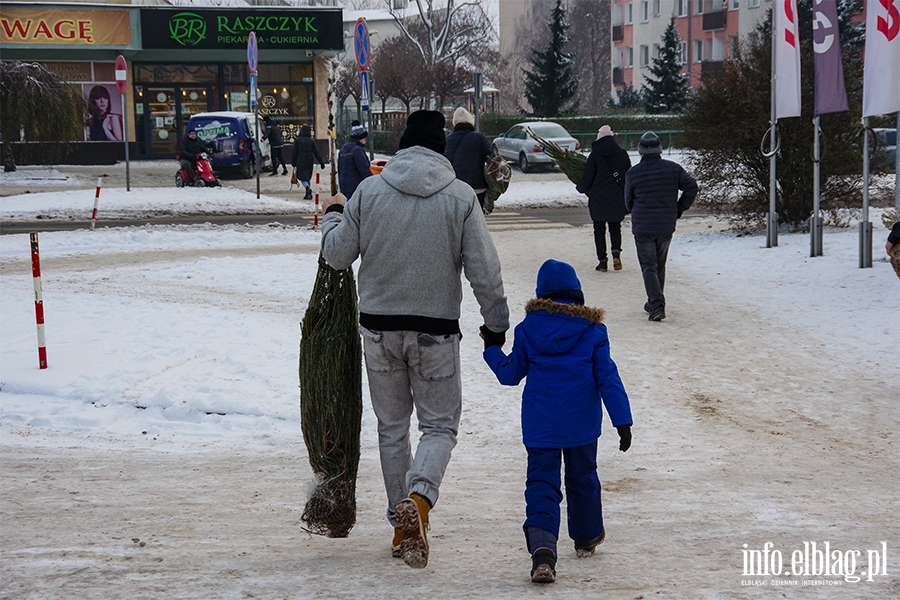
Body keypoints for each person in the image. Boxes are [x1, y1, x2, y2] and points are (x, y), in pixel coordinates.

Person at [320, 110, 510, 570]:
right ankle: (420, 500)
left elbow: (337, 256)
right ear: (441, 149)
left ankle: (401, 526)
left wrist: (331, 216)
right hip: (436, 332)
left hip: (379, 328)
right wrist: (496, 323)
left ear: (403, 147)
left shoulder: (368, 191)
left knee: (392, 428)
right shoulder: (461, 197)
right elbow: (484, 270)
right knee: (440, 426)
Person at [481, 259, 633, 584]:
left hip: (541, 426)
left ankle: (543, 551)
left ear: (541, 296)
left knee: (541, 485)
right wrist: (622, 420)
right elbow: (608, 377)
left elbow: (510, 375)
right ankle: (587, 537)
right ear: (576, 294)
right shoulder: (593, 331)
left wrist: (492, 348)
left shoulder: (526, 331)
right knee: (583, 479)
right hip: (582, 426)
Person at [624, 131, 698, 322]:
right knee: (659, 265)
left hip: (643, 227)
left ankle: (656, 305)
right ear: (659, 149)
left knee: (648, 266)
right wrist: (678, 209)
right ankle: (654, 302)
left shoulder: (633, 173)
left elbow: (628, 202)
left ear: (640, 151)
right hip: (665, 224)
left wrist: (638, 212)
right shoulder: (673, 169)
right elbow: (692, 186)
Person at [576, 125, 631, 272]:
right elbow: (628, 176)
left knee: (599, 229)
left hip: (598, 198)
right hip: (617, 197)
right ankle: (616, 254)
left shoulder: (594, 156)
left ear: (598, 138)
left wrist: (580, 187)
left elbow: (588, 177)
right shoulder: (622, 154)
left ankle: (602, 261)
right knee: (615, 227)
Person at [444, 107, 493, 208]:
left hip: (455, 189)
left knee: (457, 221)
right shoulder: (479, 138)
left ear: (455, 123)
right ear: (471, 122)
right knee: (476, 221)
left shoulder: (447, 140)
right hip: (477, 189)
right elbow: (492, 159)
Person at [292, 125, 326, 200]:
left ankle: (307, 189)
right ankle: (307, 194)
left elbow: (294, 152)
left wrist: (293, 162)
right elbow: (316, 152)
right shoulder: (311, 141)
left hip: (300, 159)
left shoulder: (298, 140)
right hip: (309, 159)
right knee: (307, 177)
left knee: (301, 177)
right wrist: (321, 162)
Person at [337, 124, 371, 198]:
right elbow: (364, 170)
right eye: (365, 138)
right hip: (355, 187)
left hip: (344, 186)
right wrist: (373, 181)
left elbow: (340, 168)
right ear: (360, 138)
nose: (365, 140)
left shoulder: (343, 149)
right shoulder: (357, 150)